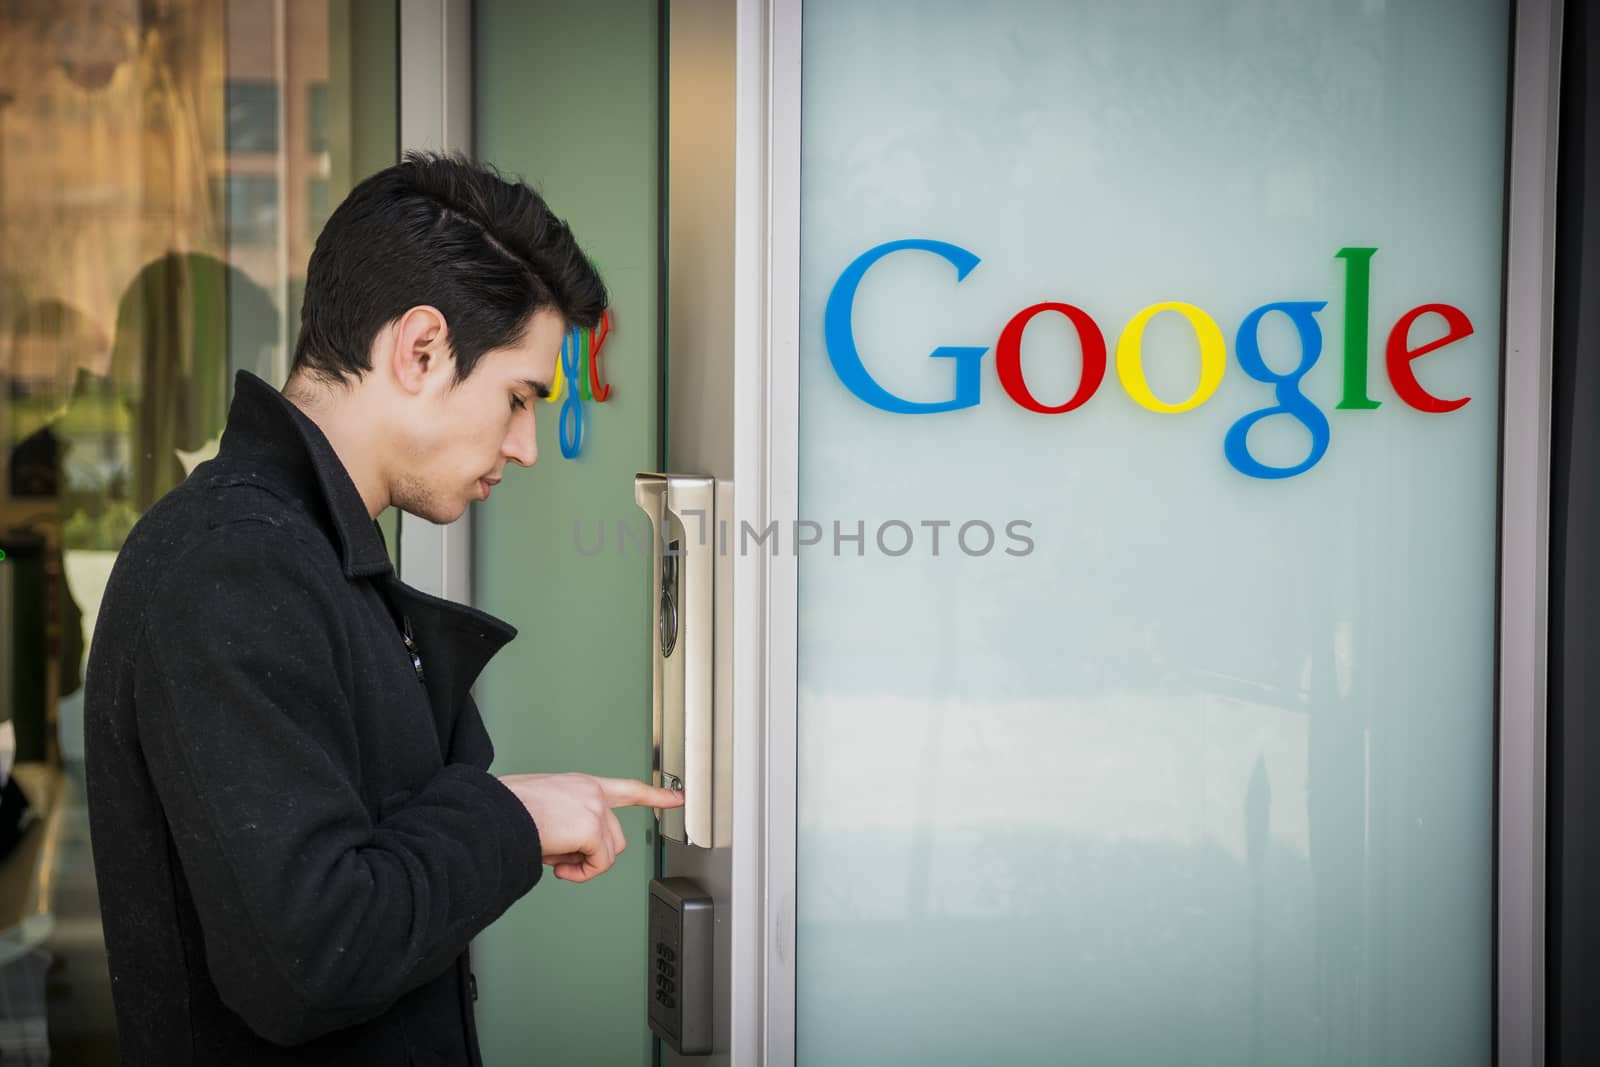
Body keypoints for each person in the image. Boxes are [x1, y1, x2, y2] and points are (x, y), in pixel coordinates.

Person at [82, 151, 682, 1066]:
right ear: (421, 348)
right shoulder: (233, 565)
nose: (526, 446)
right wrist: (509, 821)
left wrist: (502, 813)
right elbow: (311, 956)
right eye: (517, 396)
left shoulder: (299, 555)